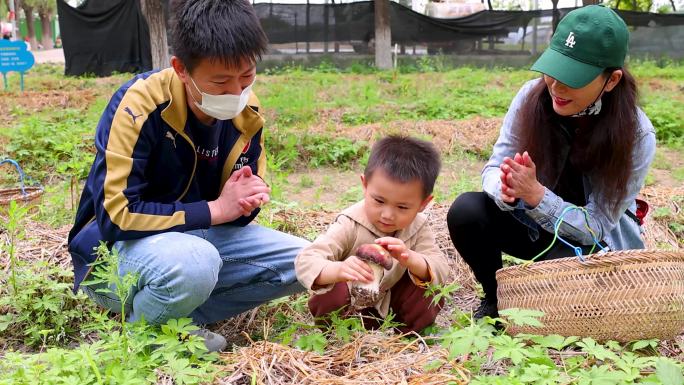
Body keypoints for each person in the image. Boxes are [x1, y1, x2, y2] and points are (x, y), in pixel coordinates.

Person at [67, 0, 309, 352]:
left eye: (246, 76)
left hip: (194, 242)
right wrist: (215, 210)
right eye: (220, 81)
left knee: (306, 259)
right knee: (195, 261)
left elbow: (237, 215)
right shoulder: (140, 104)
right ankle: (147, 336)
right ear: (181, 69)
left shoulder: (247, 112)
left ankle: (178, 316)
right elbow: (116, 215)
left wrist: (246, 202)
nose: (235, 92)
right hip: (114, 252)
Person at [446, 5, 656, 319]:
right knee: (467, 211)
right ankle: (495, 299)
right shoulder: (531, 97)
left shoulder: (636, 135)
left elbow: (596, 226)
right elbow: (493, 167)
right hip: (532, 228)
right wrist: (503, 187)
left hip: (586, 250)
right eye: (553, 69)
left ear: (611, 80)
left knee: (576, 304)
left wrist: (537, 197)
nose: (556, 86)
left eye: (573, 78)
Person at [296, 136, 450, 333]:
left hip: (389, 307)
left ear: (423, 204)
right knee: (332, 289)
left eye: (402, 207)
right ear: (365, 185)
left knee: (428, 288)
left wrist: (411, 259)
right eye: (378, 201)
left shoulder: (418, 228)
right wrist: (338, 270)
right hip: (351, 308)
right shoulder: (350, 222)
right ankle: (336, 335)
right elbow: (306, 260)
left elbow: (440, 267)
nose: (387, 215)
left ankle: (409, 335)